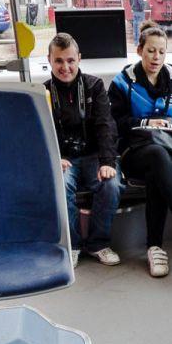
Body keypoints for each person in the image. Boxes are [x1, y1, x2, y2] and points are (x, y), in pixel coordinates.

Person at [110, 23, 172, 277]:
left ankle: (154, 248)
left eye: (161, 52)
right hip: (136, 153)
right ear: (139, 51)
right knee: (156, 155)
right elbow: (115, 125)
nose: (156, 57)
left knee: (159, 170)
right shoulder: (122, 83)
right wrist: (145, 124)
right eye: (151, 51)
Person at [45, 32, 122, 266]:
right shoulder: (43, 92)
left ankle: (99, 243)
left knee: (111, 185)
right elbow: (40, 132)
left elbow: (105, 126)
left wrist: (107, 162)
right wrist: (54, 158)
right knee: (59, 186)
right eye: (59, 61)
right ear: (49, 60)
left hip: (94, 156)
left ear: (79, 58)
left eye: (70, 60)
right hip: (63, 158)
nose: (65, 67)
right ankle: (73, 245)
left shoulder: (94, 86)